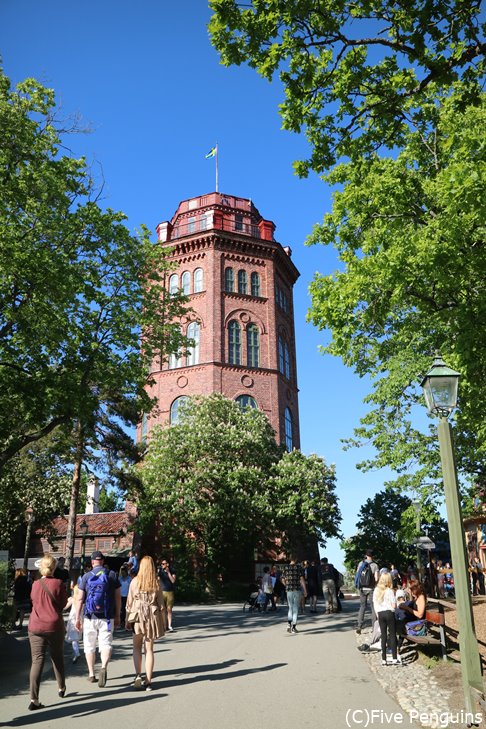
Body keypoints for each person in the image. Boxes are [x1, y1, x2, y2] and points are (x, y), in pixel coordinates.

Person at [27, 554, 68, 710]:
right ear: (54, 567)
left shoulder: (35, 584)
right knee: (57, 657)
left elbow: (33, 601)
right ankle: (61, 687)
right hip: (54, 626)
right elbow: (63, 604)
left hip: (36, 626)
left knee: (37, 661)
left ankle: (34, 699)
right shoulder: (58, 584)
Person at [75, 551, 121, 687]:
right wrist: (118, 615)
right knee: (105, 644)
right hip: (107, 617)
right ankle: (104, 667)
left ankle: (91, 673)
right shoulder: (112, 575)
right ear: (103, 561)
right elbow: (118, 597)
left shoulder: (86, 576)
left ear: (92, 562)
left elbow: (79, 599)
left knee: (89, 645)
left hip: (89, 616)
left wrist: (77, 617)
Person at [126, 556, 166, 691]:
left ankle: (138, 675)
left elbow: (129, 603)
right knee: (149, 649)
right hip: (152, 616)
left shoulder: (134, 581)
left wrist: (127, 620)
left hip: (137, 616)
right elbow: (161, 605)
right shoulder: (156, 582)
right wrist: (164, 622)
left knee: (136, 647)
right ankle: (148, 681)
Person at [373, 572, 398, 666]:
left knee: (383, 635)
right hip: (389, 613)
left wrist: (378, 615)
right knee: (392, 634)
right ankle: (394, 657)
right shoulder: (389, 591)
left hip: (380, 614)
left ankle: (384, 659)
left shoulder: (376, 590)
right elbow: (394, 605)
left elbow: (375, 605)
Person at [355, 549, 379, 634]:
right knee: (373, 607)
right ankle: (374, 627)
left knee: (362, 607)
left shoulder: (361, 564)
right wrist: (375, 585)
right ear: (373, 556)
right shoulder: (375, 565)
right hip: (371, 588)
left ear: (366, 555)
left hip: (362, 588)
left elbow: (358, 575)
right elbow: (376, 579)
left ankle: (359, 626)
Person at [280, 558, 307, 634]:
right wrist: (305, 590)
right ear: (295, 560)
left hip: (289, 590)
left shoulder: (285, 568)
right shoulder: (299, 568)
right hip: (297, 589)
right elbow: (302, 580)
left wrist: (286, 585)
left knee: (290, 608)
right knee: (295, 608)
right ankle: (294, 627)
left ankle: (289, 624)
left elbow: (282, 579)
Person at [65, 579, 81, 663]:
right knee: (77, 637)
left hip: (73, 619)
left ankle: (76, 653)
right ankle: (76, 652)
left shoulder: (72, 599)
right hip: (80, 619)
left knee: (73, 638)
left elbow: (64, 607)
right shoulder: (82, 600)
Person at [158, 558, 176, 631]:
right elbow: (158, 580)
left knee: (169, 609)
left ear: (167, 564)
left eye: (163, 564)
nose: (162, 565)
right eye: (161, 564)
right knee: (163, 609)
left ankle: (169, 625)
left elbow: (173, 581)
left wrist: (168, 573)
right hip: (162, 592)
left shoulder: (172, 571)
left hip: (170, 592)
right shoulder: (160, 572)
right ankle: (164, 625)